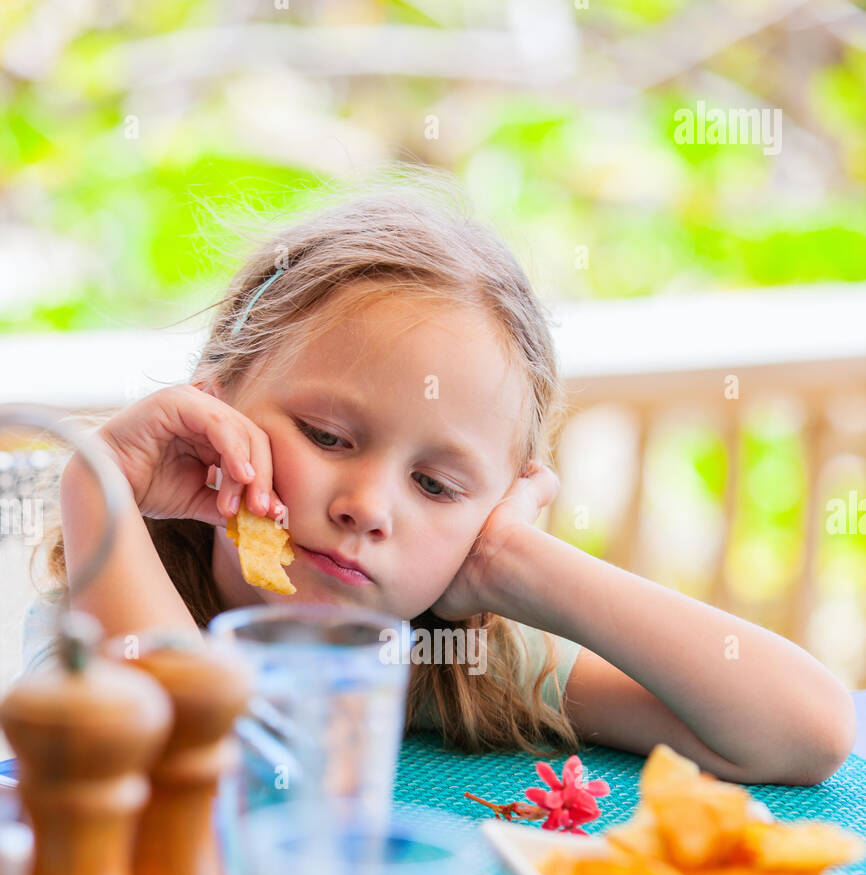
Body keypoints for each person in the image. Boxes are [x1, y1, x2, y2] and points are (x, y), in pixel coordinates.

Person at [30, 177, 855, 781]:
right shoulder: (96, 604)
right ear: (214, 402)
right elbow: (184, 759)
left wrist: (512, 562)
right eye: (327, 436)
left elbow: (807, 732)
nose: (365, 508)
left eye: (437, 487)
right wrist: (100, 490)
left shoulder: (458, 658)